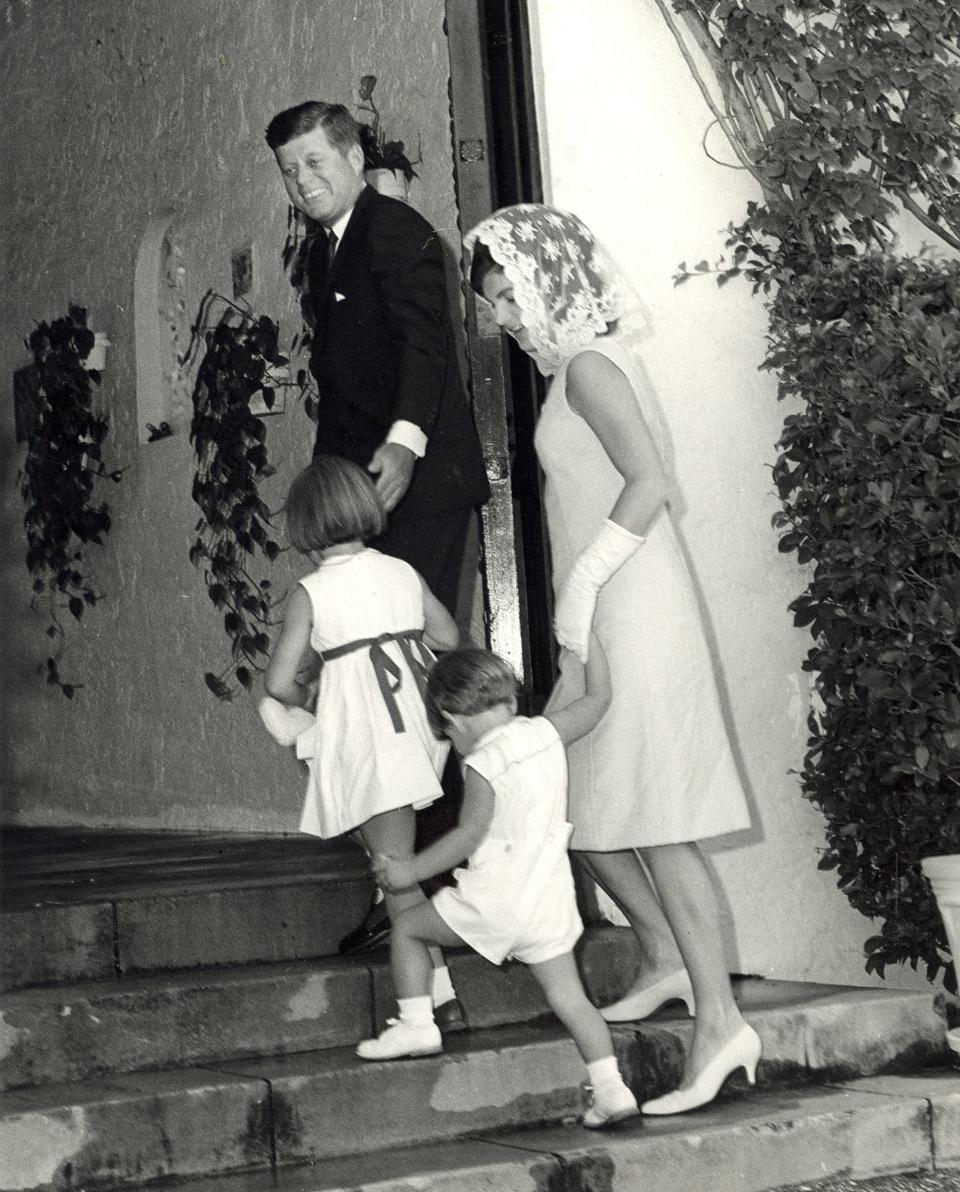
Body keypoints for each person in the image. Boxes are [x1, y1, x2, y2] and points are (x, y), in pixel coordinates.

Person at [463, 204, 761, 1116]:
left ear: (551, 277)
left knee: (660, 820)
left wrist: (585, 584)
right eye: (493, 302)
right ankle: (667, 957)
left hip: (634, 603)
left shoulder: (590, 365)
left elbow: (649, 482)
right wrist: (581, 605)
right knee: (587, 806)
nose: (505, 316)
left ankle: (720, 1024)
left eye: (513, 293)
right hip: (610, 607)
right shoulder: (571, 370)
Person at [265, 100, 490, 956]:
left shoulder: (393, 230)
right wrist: (326, 509)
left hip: (417, 487)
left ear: (354, 156)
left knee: (420, 679)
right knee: (370, 694)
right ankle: (408, 886)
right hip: (363, 499)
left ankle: (436, 885)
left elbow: (425, 346)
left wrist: (404, 442)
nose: (305, 181)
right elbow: (345, 385)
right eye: (291, 171)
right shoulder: (326, 250)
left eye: (318, 162)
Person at [358, 643, 640, 1131]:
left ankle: (416, 1024)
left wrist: (409, 872)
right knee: (573, 1000)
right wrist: (594, 647)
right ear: (508, 702)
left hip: (496, 899)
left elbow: (469, 836)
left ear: (452, 718)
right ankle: (612, 1088)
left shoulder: (481, 764)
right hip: (549, 903)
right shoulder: (546, 733)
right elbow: (595, 702)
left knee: (407, 928)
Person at [259, 455, 463, 1026]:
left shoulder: (312, 592)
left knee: (394, 874)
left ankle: (424, 1014)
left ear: (303, 527)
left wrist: (311, 691)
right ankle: (438, 994)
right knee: (391, 860)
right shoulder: (401, 571)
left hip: (370, 743)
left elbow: (277, 682)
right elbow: (447, 635)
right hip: (412, 734)